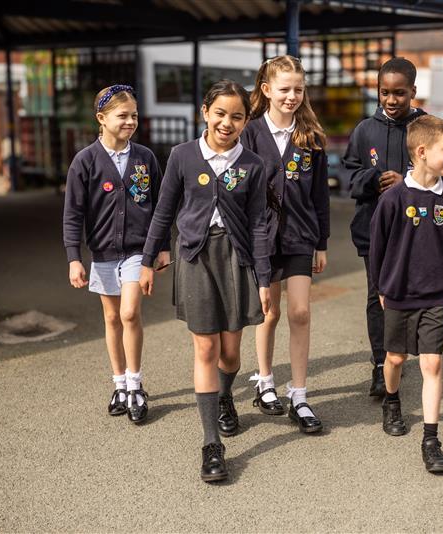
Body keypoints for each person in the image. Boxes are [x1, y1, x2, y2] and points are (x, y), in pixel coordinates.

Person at [140, 80, 271, 483]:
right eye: (220, 113)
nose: (227, 122)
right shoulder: (181, 156)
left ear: (246, 121)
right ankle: (212, 444)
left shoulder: (253, 164)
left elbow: (259, 223)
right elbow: (163, 211)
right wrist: (148, 260)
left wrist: (264, 277)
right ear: (205, 113)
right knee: (205, 347)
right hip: (194, 256)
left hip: (236, 258)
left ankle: (225, 393)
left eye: (236, 116)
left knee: (230, 353)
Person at [342, 57, 443, 398]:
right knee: (378, 296)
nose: (392, 100)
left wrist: (408, 181)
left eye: (400, 93)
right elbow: (348, 175)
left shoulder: (430, 128)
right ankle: (382, 364)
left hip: (420, 234)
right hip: (374, 233)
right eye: (385, 93)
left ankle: (409, 356)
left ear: (413, 92)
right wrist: (375, 179)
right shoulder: (364, 130)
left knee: (415, 296)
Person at [63, 84, 167, 425]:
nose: (130, 121)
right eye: (122, 116)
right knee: (110, 319)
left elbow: (160, 209)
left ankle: (136, 384)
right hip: (103, 253)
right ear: (101, 119)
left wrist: (161, 247)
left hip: (138, 251)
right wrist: (74, 257)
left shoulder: (145, 158)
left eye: (134, 115)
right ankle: (119, 384)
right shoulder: (85, 161)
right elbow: (73, 213)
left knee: (128, 313)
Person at [369, 115, 443, 474]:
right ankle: (392, 400)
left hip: (436, 295)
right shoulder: (393, 199)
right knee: (395, 359)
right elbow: (378, 247)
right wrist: (382, 286)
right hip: (398, 293)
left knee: (432, 363)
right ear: (422, 152)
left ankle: (431, 439)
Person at [241, 55, 330, 434]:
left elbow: (320, 195)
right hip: (261, 238)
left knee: (300, 312)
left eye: (298, 89)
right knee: (268, 312)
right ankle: (264, 381)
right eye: (284, 89)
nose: (292, 96)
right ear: (266, 91)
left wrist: (321, 242)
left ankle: (300, 395)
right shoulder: (249, 134)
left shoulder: (310, 137)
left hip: (300, 237)